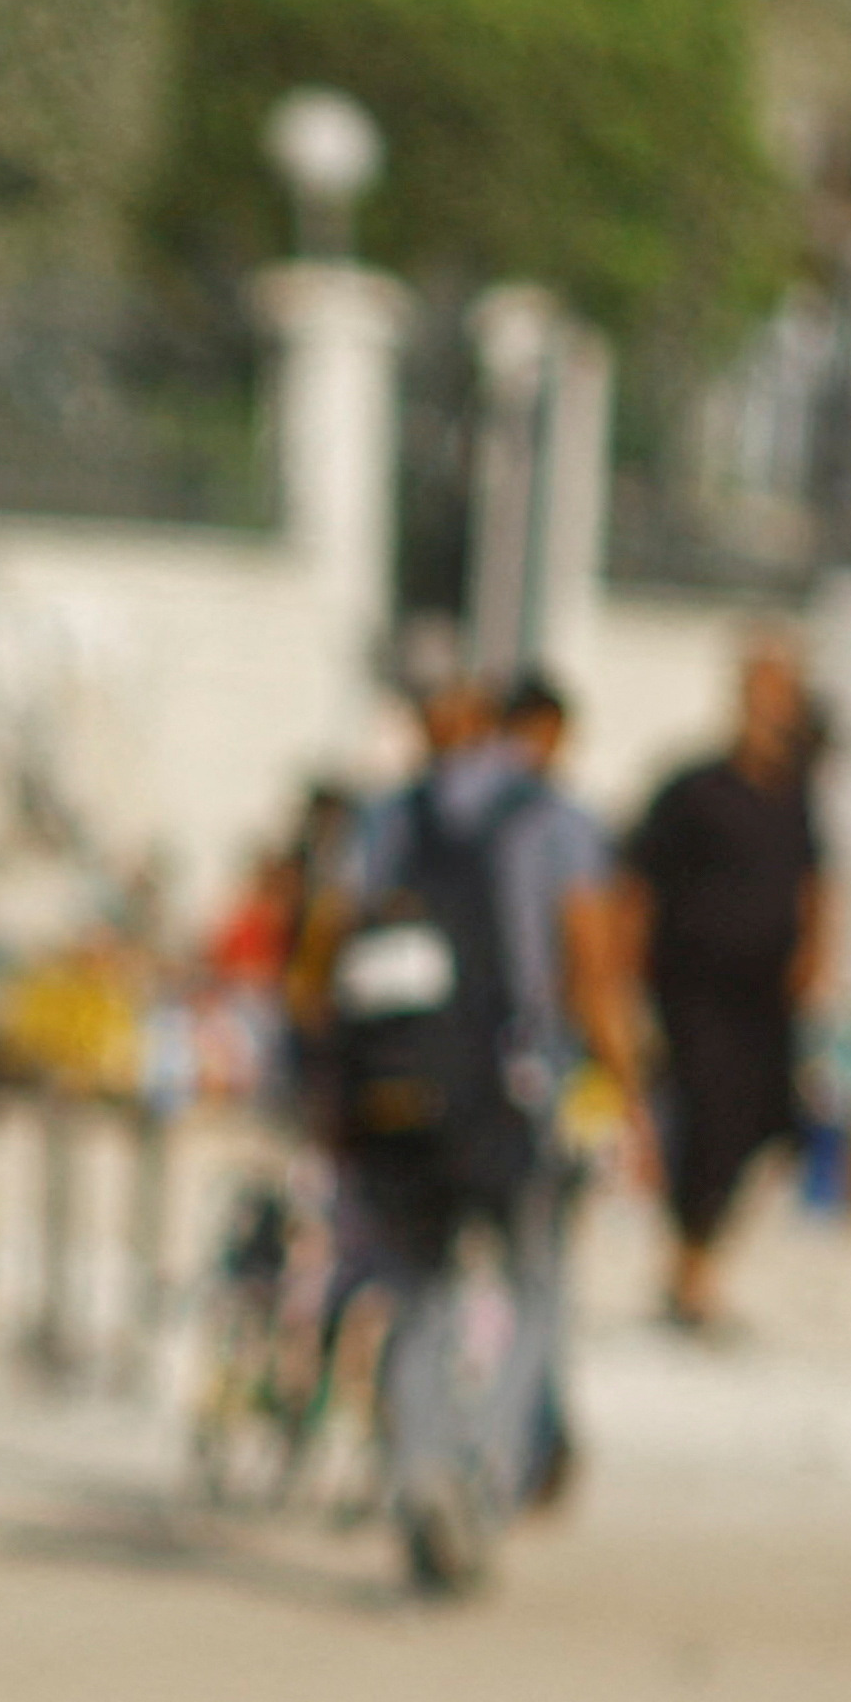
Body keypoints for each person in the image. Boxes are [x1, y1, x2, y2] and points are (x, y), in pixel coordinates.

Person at [301, 644, 638, 1585]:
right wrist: (628, 1088)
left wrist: (333, 1091)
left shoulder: (383, 819)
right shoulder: (555, 821)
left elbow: (326, 961)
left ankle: (419, 1479)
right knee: (533, 1286)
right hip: (512, 1093)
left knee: (418, 1290)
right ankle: (482, 1478)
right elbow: (589, 966)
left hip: (397, 1094)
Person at [620, 637, 833, 1333]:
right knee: (705, 1126)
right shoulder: (693, 789)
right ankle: (689, 1275)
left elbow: (817, 885)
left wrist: (816, 959)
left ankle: (696, 1263)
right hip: (695, 991)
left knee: (769, 1130)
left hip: (766, 997)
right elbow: (637, 884)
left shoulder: (796, 796)